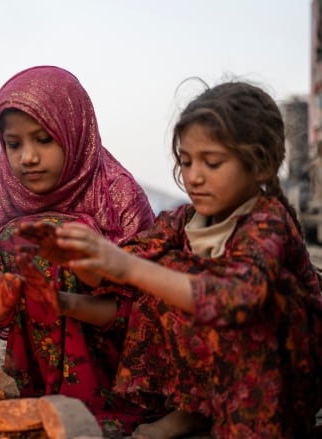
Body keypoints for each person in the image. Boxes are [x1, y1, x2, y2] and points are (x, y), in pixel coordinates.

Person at [46, 81, 322, 437]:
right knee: (161, 270)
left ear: (261, 166)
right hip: (223, 374)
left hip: (286, 377)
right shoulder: (182, 221)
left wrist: (130, 266)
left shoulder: (268, 221)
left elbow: (235, 298)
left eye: (212, 162)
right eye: (187, 161)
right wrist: (74, 265)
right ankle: (194, 409)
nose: (193, 176)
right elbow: (124, 275)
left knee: (205, 283)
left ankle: (250, 426)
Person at [0, 66, 156, 435]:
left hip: (122, 370)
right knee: (17, 237)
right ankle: (41, 397)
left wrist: (86, 270)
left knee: (46, 236)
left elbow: (148, 312)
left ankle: (84, 404)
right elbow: (14, 317)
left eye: (44, 139)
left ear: (75, 131)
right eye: (15, 144)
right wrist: (1, 310)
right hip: (37, 380)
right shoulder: (6, 213)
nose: (28, 158)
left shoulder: (118, 196)